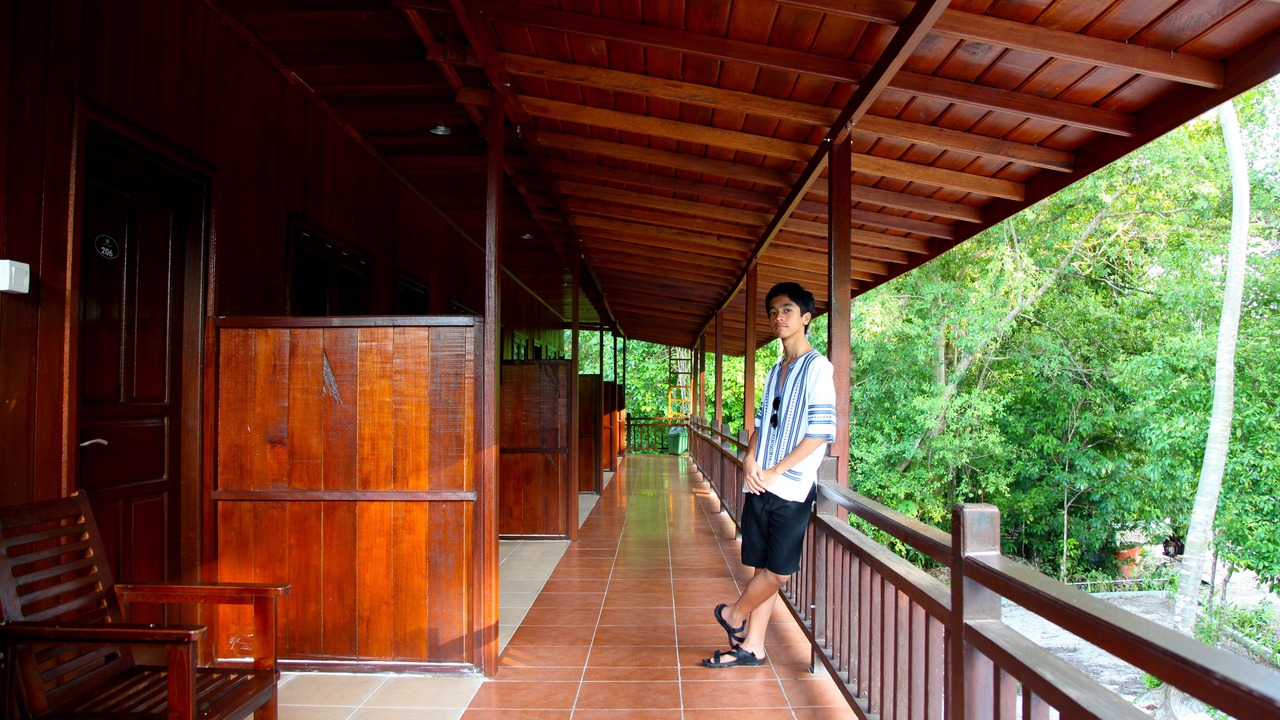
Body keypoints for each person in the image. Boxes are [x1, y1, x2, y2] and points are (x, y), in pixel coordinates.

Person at [703, 281, 836, 668]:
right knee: (762, 568)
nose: (779, 317)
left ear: (806, 318)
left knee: (778, 573)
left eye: (788, 310)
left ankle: (733, 616)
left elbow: (820, 432)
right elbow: (762, 422)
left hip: (792, 488)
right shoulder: (776, 370)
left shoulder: (818, 367)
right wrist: (749, 458)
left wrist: (777, 469)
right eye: (773, 311)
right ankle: (752, 647)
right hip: (759, 481)